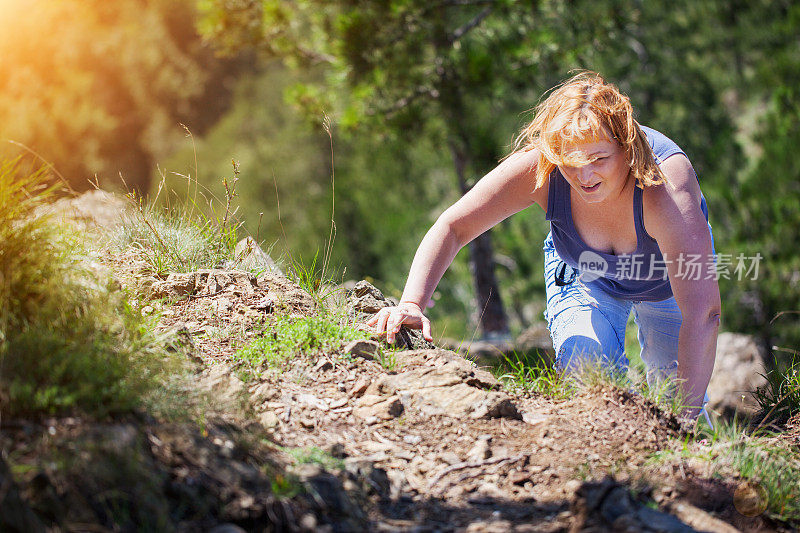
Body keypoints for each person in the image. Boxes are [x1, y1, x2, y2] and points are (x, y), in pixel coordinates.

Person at [367, 72, 720, 420]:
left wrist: (683, 422)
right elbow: (454, 226)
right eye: (570, 161)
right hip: (584, 273)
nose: (584, 176)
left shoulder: (665, 187)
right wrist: (412, 302)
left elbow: (703, 313)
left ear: (626, 146)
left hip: (665, 283)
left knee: (678, 398)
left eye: (599, 159)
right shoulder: (542, 169)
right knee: (586, 376)